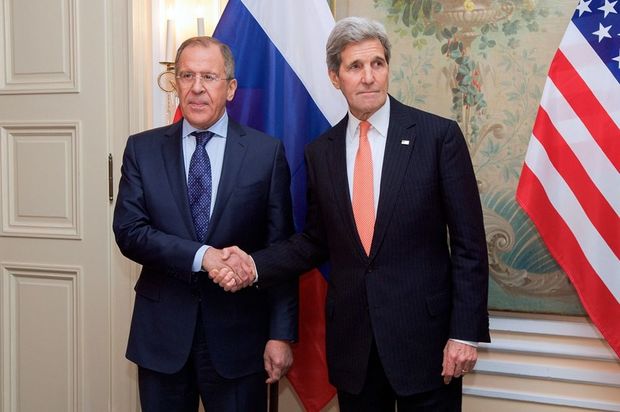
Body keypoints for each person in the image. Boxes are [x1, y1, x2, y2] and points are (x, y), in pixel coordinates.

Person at [211, 17, 490, 411]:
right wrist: (253, 265)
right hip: (354, 349)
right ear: (334, 76)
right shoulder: (320, 152)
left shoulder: (437, 137)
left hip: (427, 346)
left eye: (377, 63)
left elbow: (469, 246)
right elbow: (315, 241)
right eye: (355, 66)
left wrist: (464, 334)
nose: (369, 77)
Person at [112, 36, 298, 412]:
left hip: (240, 340)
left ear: (230, 88)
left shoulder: (265, 153)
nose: (196, 88)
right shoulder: (142, 149)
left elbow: (281, 251)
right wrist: (204, 256)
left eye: (209, 77)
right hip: (162, 337)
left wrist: (281, 334)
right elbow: (130, 232)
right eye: (187, 75)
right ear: (176, 83)